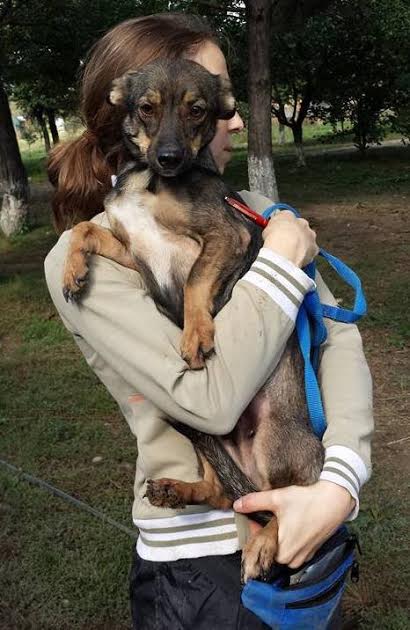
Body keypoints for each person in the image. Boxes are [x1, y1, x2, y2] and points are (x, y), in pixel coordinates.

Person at [44, 13, 373, 630]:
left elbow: (338, 338)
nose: (237, 120)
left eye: (213, 106)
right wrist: (279, 257)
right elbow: (211, 403)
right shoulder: (79, 255)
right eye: (218, 103)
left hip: (310, 511)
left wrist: (340, 484)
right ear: (130, 111)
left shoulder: (252, 209)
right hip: (199, 571)